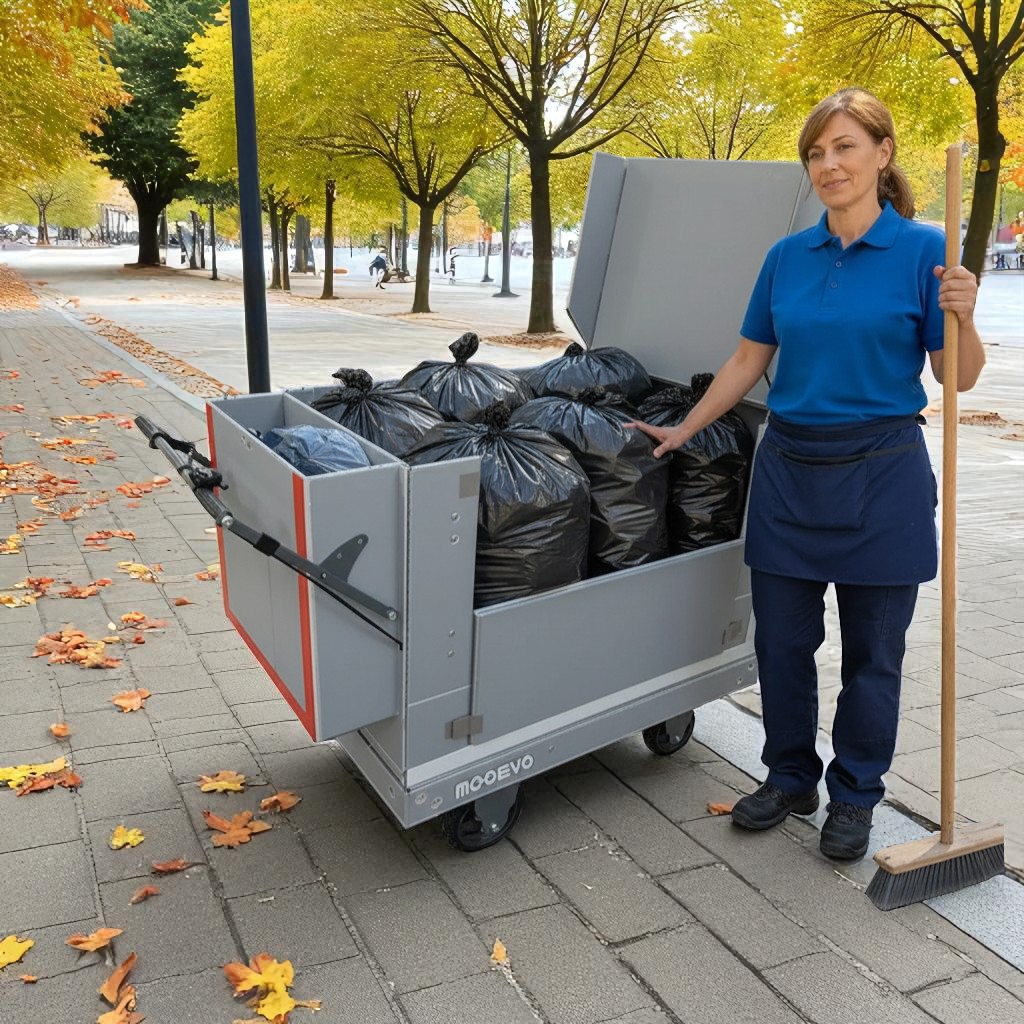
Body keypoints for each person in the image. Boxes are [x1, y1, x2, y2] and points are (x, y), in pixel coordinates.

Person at [628, 87, 985, 861]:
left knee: (872, 658)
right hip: (789, 469)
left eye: (845, 146)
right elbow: (747, 359)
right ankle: (790, 778)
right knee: (782, 647)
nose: (829, 164)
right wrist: (685, 427)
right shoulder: (785, 257)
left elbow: (957, 379)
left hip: (883, 474)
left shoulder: (925, 252)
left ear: (882, 154)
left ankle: (855, 796)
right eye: (816, 153)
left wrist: (963, 315)